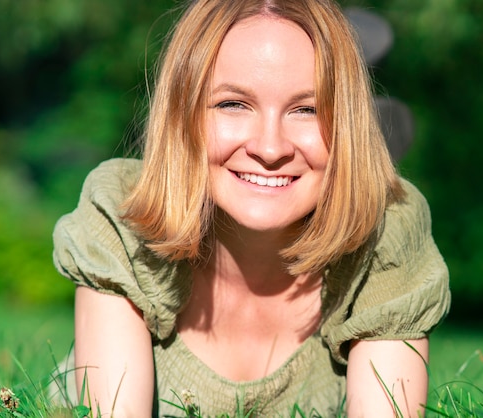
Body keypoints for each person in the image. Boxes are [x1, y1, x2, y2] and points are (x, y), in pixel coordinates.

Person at [52, 0, 450, 416]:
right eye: (233, 104)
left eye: (307, 110)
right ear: (181, 114)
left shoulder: (386, 231)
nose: (270, 147)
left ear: (345, 123)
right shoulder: (122, 214)